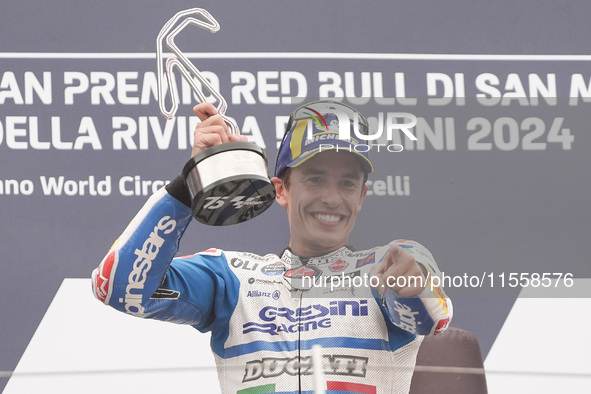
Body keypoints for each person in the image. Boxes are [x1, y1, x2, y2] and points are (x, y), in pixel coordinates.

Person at [92, 100, 452, 394]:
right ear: (280, 189)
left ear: (361, 196)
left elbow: (432, 315)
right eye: (314, 179)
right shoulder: (231, 277)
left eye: (347, 183)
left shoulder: (388, 263)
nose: (331, 198)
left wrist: (412, 285)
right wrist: (191, 183)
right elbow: (118, 288)